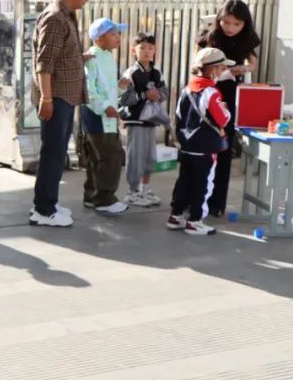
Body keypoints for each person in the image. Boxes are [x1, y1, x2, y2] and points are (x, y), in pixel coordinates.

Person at [29, 0, 91, 227]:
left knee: (57, 152)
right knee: (52, 153)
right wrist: (46, 98)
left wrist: (79, 58)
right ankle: (43, 209)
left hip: (65, 95)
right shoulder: (55, 18)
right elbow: (45, 63)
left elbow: (60, 55)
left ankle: (49, 202)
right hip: (56, 96)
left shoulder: (68, 16)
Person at [195, 0, 261, 217]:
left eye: (236, 24)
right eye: (226, 22)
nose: (230, 28)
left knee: (223, 146)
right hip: (207, 92)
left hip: (230, 93)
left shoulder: (247, 38)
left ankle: (216, 204)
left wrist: (243, 68)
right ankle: (193, 199)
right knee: (201, 148)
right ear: (219, 19)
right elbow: (195, 64)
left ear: (244, 24)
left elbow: (253, 63)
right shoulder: (209, 34)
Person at [167, 48, 234, 236]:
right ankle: (195, 220)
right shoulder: (212, 92)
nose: (222, 72)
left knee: (184, 181)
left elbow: (179, 116)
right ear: (212, 69)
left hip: (187, 145)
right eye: (221, 68)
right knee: (203, 184)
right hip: (205, 147)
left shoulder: (186, 89)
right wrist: (226, 110)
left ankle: (176, 215)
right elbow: (223, 119)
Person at [80, 18, 128, 215]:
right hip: (97, 116)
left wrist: (119, 86)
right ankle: (104, 199)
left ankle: (92, 196)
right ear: (99, 38)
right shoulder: (92, 58)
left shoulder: (106, 56)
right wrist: (105, 107)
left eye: (118, 34)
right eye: (113, 34)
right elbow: (89, 91)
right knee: (110, 156)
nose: (118, 38)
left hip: (105, 115)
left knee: (97, 158)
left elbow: (106, 89)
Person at [119, 33, 168, 207]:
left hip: (151, 121)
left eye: (150, 48)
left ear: (155, 50)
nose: (147, 51)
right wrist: (144, 95)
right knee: (136, 157)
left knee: (150, 158)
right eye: (142, 48)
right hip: (136, 121)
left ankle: (145, 188)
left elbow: (164, 93)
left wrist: (158, 96)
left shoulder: (157, 72)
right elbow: (123, 99)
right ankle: (133, 191)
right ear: (134, 50)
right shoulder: (131, 73)